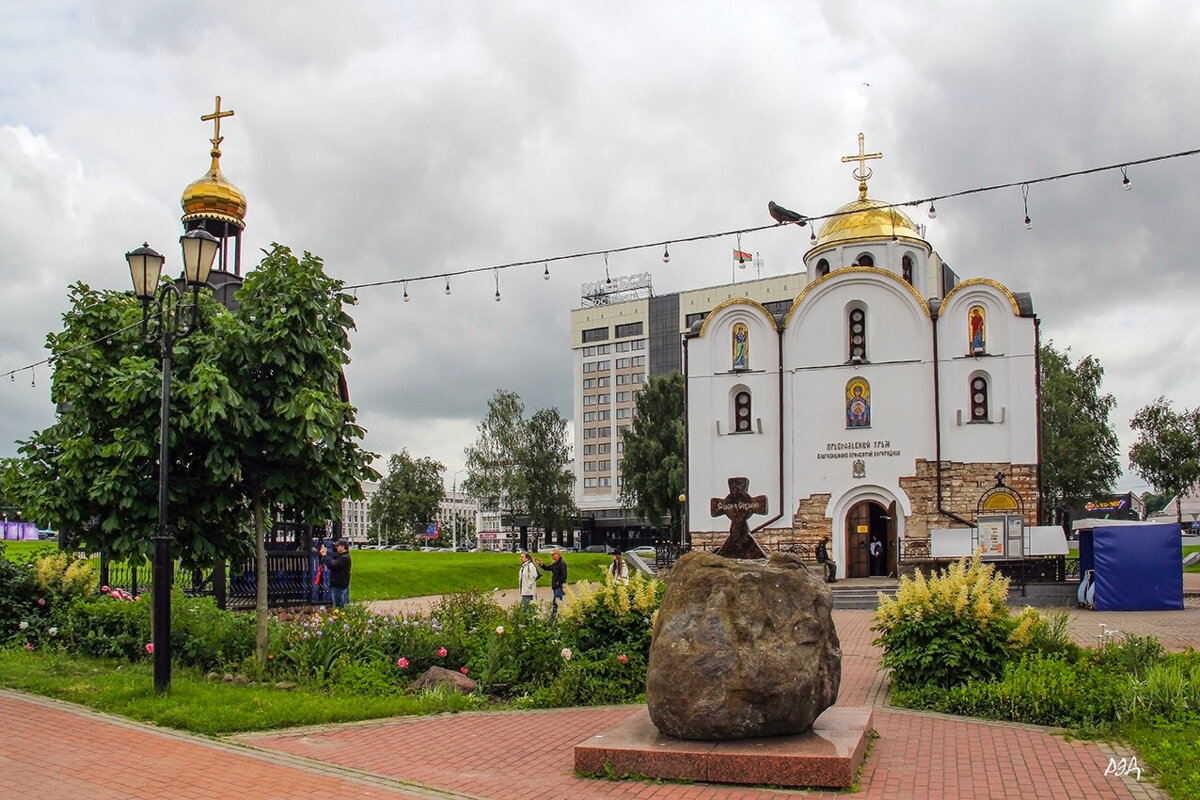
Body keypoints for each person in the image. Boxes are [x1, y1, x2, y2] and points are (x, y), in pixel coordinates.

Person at [535, 548, 568, 615]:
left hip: (559, 586)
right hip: (555, 586)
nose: (551, 556)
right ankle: (557, 616)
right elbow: (547, 568)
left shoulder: (562, 564)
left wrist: (559, 583)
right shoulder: (555, 564)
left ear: (558, 555)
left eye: (553, 555)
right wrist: (541, 564)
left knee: (557, 602)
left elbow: (564, 575)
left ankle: (555, 617)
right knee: (556, 602)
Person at [321, 540, 352, 607]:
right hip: (339, 584)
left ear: (343, 546)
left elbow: (332, 566)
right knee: (339, 604)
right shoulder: (343, 556)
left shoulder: (344, 558)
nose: (336, 547)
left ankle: (340, 616)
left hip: (339, 585)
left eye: (338, 546)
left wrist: (325, 555)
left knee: (338, 606)